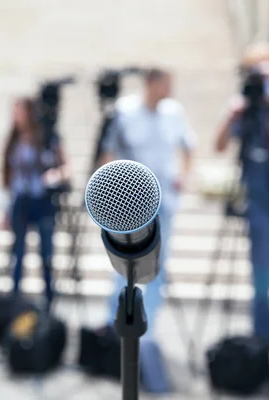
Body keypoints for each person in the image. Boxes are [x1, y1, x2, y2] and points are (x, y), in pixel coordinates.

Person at [215, 42, 269, 345]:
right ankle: (263, 340)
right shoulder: (244, 106)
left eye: (265, 67)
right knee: (261, 276)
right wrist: (232, 115)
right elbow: (220, 145)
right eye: (254, 69)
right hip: (260, 202)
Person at [99, 67, 195, 339]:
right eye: (166, 84)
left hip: (164, 198)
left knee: (157, 263)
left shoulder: (174, 113)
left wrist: (183, 176)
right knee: (125, 261)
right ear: (151, 84)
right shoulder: (125, 111)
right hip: (133, 200)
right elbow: (107, 150)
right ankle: (115, 322)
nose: (169, 90)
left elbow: (188, 146)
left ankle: (147, 324)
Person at [2, 97, 70, 308]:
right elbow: (7, 177)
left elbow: (66, 167)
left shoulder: (48, 137)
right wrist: (4, 208)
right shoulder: (14, 139)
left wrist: (53, 176)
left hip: (42, 200)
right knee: (18, 254)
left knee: (46, 254)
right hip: (20, 200)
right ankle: (14, 301)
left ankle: (49, 301)